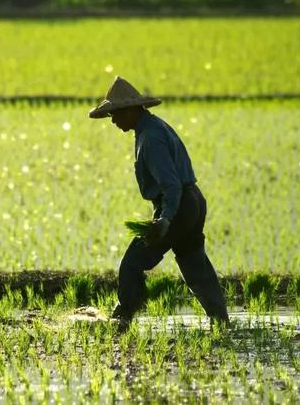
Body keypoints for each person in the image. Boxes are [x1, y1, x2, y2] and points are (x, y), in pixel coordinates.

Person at [89, 76, 229, 325]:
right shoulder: (152, 127)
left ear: (131, 110)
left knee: (132, 261)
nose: (113, 120)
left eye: (116, 114)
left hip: (177, 206)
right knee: (194, 264)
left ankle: (124, 317)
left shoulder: (150, 139)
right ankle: (220, 320)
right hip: (192, 201)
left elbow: (171, 184)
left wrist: (165, 218)